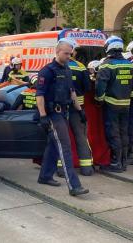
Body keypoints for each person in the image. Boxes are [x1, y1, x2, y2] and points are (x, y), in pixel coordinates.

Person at [36, 38, 89, 197]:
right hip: (53, 114)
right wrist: (43, 116)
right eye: (66, 53)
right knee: (65, 147)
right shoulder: (47, 71)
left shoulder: (67, 69)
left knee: (53, 146)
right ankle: (74, 185)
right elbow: (40, 96)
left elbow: (72, 92)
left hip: (64, 112)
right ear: (57, 52)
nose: (69, 56)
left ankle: (45, 176)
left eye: (70, 53)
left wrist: (80, 111)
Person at [95, 36, 133, 172]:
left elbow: (101, 85)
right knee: (124, 132)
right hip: (126, 104)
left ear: (108, 48)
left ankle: (114, 163)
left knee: (113, 133)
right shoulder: (130, 64)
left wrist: (99, 99)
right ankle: (123, 162)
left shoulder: (107, 64)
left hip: (111, 104)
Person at [66, 44, 94, 176]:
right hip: (78, 108)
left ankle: (61, 169)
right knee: (81, 137)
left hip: (61, 109)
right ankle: (86, 168)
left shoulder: (55, 66)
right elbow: (88, 87)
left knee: (62, 138)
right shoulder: (81, 67)